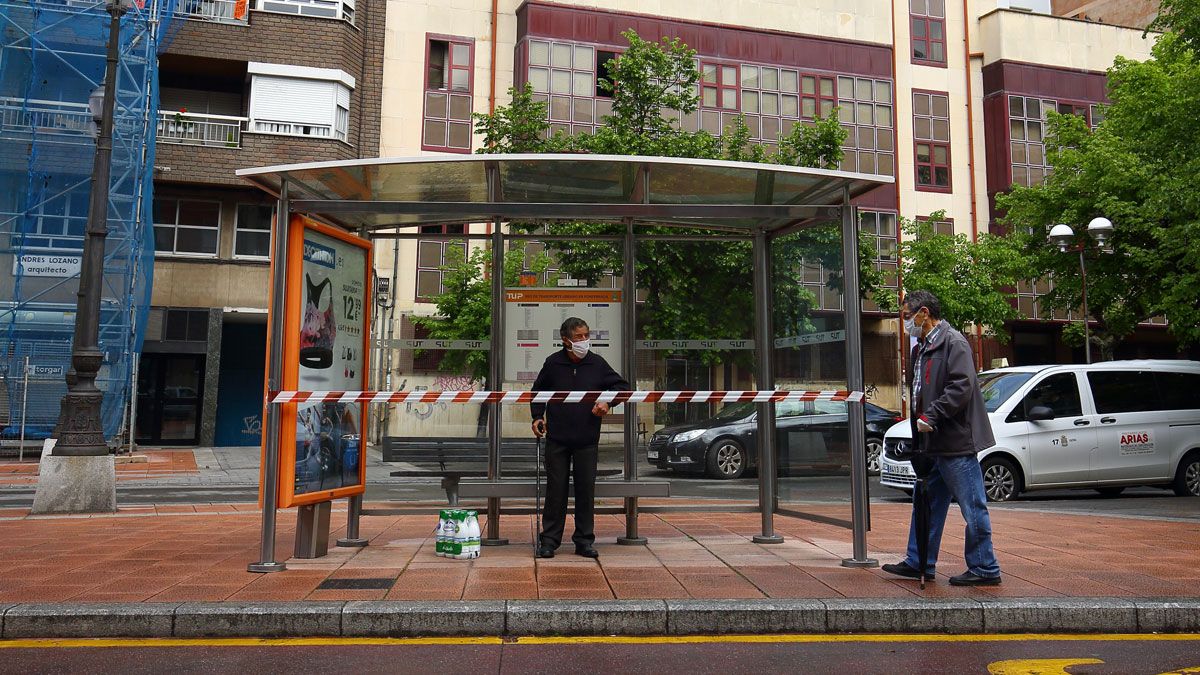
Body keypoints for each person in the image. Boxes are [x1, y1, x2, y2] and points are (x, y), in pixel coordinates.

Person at [882, 290, 1003, 586]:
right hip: (933, 442)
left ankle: (985, 568)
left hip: (955, 441)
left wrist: (931, 416)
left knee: (972, 505)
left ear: (924, 313)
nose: (905, 322)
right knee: (925, 504)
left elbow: (961, 388)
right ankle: (918, 561)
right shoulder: (920, 347)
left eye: (908, 316)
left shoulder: (954, 343)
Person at [530, 317, 630, 559]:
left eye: (587, 335)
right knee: (556, 491)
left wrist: (608, 402)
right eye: (579, 337)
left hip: (587, 438)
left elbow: (624, 388)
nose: (584, 341)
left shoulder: (597, 363)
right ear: (565, 340)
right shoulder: (553, 364)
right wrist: (537, 417)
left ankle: (584, 541)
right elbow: (538, 392)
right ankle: (550, 541)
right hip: (558, 439)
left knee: (586, 491)